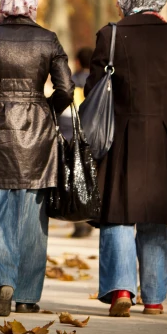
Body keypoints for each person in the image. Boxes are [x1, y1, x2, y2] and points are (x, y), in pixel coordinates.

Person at [86, 0, 167, 318]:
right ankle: (153, 299)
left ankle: (122, 289)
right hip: (162, 139)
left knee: (118, 216)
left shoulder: (110, 35)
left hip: (119, 137)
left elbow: (94, 90)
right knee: (155, 219)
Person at [0, 0, 74, 317]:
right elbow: (67, 90)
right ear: (32, 3)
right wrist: (46, 110)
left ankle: (4, 283)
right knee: (31, 216)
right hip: (37, 132)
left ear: (3, 3)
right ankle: (27, 294)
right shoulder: (48, 39)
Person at [69, 47, 95, 239]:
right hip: (95, 135)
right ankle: (91, 216)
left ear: (77, 62)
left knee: (76, 179)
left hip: (74, 132)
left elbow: (73, 108)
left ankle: (80, 222)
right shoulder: (99, 79)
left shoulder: (75, 80)